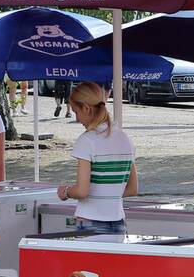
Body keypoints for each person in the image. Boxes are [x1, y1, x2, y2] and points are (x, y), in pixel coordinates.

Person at [57, 82, 138, 233]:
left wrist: (66, 192)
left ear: (86, 108)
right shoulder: (125, 139)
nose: (77, 118)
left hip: (90, 220)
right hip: (118, 221)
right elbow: (132, 189)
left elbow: (82, 191)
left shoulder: (86, 141)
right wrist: (109, 193)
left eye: (76, 112)